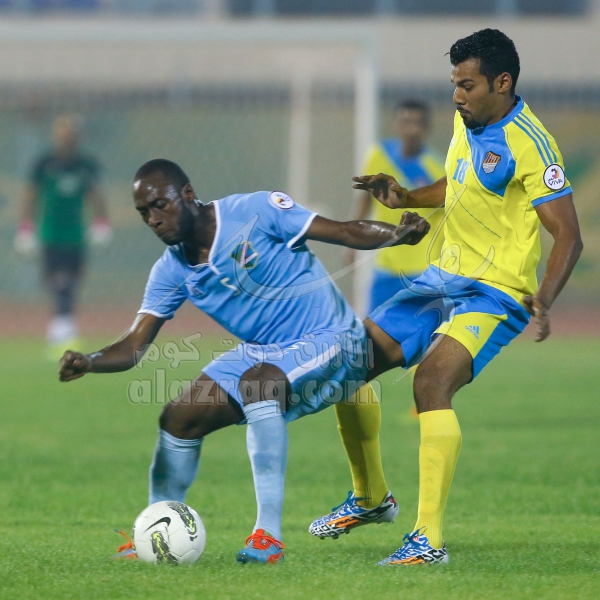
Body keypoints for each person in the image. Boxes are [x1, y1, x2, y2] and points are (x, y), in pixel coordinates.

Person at [58, 159, 430, 564]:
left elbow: (342, 231)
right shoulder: (171, 270)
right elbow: (133, 345)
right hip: (263, 351)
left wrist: (398, 235)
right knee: (178, 418)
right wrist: (90, 361)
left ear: (187, 195)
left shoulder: (254, 210)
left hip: (329, 335)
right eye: (143, 212)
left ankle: (267, 535)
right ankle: (153, 530)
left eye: (159, 205)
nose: (153, 220)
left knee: (258, 384)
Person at [309, 29, 583, 566]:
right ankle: (370, 498)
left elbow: (568, 234)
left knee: (431, 382)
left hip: (496, 293)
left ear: (502, 83)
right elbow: (457, 183)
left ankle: (426, 541)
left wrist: (545, 297)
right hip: (441, 279)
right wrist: (406, 197)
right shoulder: (468, 119)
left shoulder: (531, 143)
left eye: (467, 85)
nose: (456, 96)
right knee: (347, 364)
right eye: (454, 84)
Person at [14, 114, 112, 354]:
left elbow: (97, 196)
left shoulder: (86, 165)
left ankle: (61, 331)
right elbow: (30, 195)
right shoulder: (44, 163)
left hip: (75, 234)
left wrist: (101, 224)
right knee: (57, 281)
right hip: (51, 233)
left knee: (72, 281)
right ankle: (62, 331)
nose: (66, 138)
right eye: (61, 133)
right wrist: (26, 228)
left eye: (70, 134)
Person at [348, 99, 445, 313]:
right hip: (386, 265)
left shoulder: (438, 169)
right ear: (396, 124)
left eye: (417, 123)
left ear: (427, 127)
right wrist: (351, 243)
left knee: (421, 329)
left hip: (424, 268)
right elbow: (365, 200)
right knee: (373, 326)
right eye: (406, 122)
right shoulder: (379, 155)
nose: (412, 129)